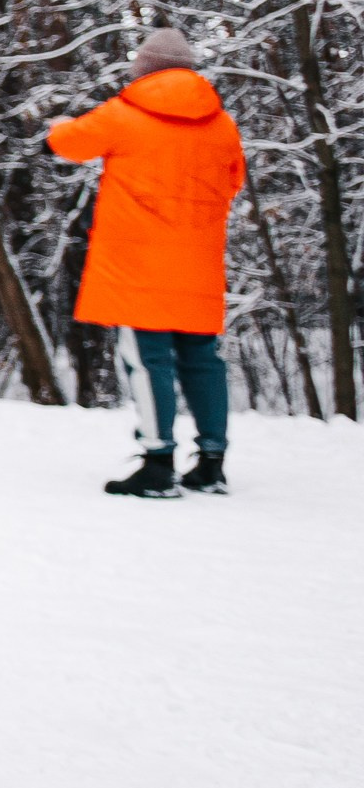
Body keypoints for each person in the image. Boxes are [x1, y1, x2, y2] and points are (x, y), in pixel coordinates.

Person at [48, 28, 245, 497]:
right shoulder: (221, 123)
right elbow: (234, 180)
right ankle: (211, 461)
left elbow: (68, 145)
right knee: (201, 359)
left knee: (146, 360)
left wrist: (56, 125)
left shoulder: (126, 113)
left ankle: (158, 462)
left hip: (136, 265)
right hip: (197, 264)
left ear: (145, 67)